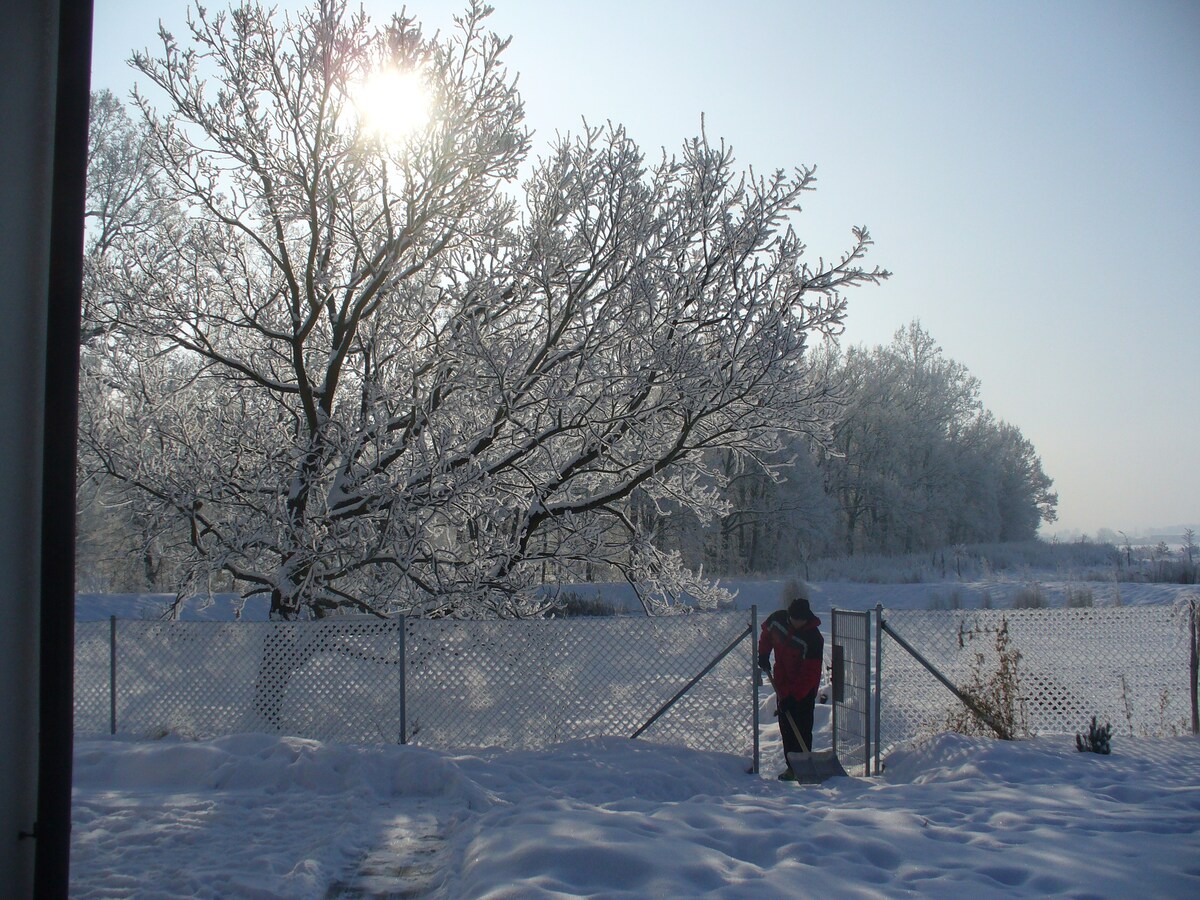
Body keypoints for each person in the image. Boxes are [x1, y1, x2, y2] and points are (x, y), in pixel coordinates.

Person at [758, 578, 824, 781]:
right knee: (786, 728)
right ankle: (791, 767)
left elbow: (810, 674)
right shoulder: (778, 620)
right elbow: (766, 635)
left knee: (802, 726)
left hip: (804, 689)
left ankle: (804, 766)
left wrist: (794, 697)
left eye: (800, 620)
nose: (796, 623)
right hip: (782, 681)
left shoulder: (813, 639)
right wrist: (763, 655)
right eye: (793, 619)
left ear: (806, 619)